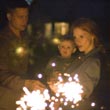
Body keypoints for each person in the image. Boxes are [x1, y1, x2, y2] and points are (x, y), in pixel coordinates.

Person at [0, 0, 45, 110]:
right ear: (9, 17)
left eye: (26, 16)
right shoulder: (3, 41)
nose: (25, 20)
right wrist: (26, 83)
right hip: (5, 99)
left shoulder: (26, 37)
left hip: (23, 95)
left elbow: (32, 63)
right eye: (20, 17)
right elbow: (2, 75)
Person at [64, 18, 107, 110]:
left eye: (81, 37)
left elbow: (82, 93)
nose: (77, 41)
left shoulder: (94, 61)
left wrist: (60, 89)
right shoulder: (81, 58)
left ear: (92, 36)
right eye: (75, 37)